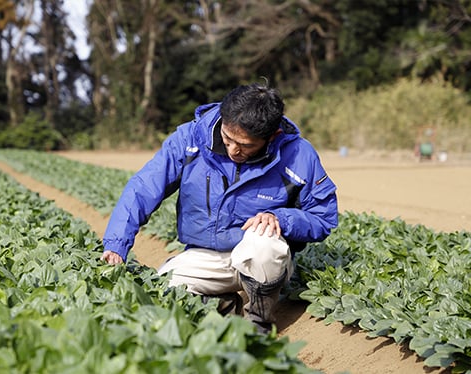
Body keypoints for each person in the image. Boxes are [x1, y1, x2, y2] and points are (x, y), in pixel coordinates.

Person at [101, 83, 338, 333]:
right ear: (222, 119)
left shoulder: (298, 155)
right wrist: (116, 244)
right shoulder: (191, 138)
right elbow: (144, 188)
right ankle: (224, 306)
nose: (234, 150)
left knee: (263, 242)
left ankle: (259, 322)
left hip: (261, 258)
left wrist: (281, 218)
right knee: (163, 293)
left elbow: (323, 218)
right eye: (228, 138)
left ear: (272, 136)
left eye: (246, 145)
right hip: (205, 255)